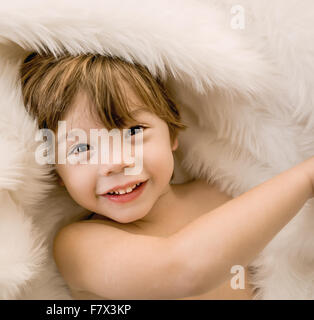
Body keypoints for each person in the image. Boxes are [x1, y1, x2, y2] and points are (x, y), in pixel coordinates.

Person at [20, 52, 314, 299]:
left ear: (171, 132)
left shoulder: (223, 193)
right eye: (81, 148)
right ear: (56, 171)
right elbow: (184, 271)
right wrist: (307, 178)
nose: (116, 163)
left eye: (133, 132)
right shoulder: (79, 245)